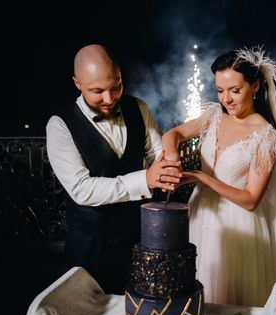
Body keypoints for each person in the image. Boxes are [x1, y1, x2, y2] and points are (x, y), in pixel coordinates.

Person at [162, 46, 276, 307]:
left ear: (255, 86)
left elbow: (250, 200)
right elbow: (172, 134)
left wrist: (202, 177)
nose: (227, 99)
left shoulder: (265, 135)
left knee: (228, 301)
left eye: (235, 90)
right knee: (195, 291)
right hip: (200, 214)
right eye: (220, 91)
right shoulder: (213, 118)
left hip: (238, 226)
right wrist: (171, 155)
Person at [46, 44, 181, 294]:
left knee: (141, 311)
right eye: (97, 91)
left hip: (139, 237)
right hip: (91, 245)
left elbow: (156, 154)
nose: (109, 99)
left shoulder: (138, 107)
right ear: (77, 83)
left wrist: (169, 162)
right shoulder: (59, 125)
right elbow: (82, 190)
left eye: (116, 86)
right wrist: (146, 179)